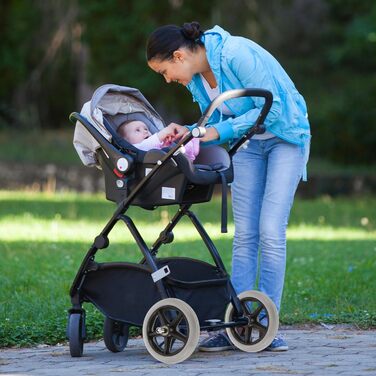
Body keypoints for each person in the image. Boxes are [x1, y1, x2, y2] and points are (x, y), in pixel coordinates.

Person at [146, 21, 311, 352]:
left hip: (286, 138)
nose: (168, 80)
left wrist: (216, 133)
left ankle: (265, 325)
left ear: (179, 56)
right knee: (245, 234)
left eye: (165, 71)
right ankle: (235, 323)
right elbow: (215, 124)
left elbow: (273, 107)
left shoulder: (235, 53)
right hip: (249, 144)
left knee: (270, 230)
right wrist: (190, 129)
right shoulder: (196, 78)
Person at [117, 119, 200, 161]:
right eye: (137, 130)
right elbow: (149, 143)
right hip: (156, 169)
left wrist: (165, 143)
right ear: (126, 142)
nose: (145, 131)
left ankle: (189, 149)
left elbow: (155, 145)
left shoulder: (150, 144)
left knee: (168, 149)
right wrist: (164, 132)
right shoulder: (134, 149)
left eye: (146, 128)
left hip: (168, 163)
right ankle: (188, 152)